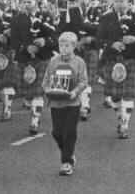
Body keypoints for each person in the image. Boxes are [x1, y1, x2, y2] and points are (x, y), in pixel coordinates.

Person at [96, 0, 135, 139]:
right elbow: (99, 39)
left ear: (128, 2)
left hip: (131, 58)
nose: (120, 4)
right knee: (115, 97)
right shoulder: (106, 18)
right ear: (113, 1)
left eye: (123, 1)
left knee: (128, 95)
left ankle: (125, 125)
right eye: (117, 1)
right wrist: (112, 44)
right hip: (112, 59)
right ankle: (121, 116)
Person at [42, 32, 88, 176]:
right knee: (57, 132)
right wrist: (48, 90)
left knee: (69, 132)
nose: (63, 48)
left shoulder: (79, 62)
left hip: (72, 102)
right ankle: (68, 153)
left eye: (67, 45)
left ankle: (66, 162)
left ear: (74, 46)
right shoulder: (53, 61)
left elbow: (83, 81)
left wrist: (75, 92)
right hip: (56, 102)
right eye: (61, 45)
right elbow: (46, 81)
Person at [10, 0, 56, 135]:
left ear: (35, 2)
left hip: (42, 58)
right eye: (24, 2)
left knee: (38, 92)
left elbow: (55, 36)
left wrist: (45, 42)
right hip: (24, 58)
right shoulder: (17, 19)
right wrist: (25, 47)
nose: (26, 4)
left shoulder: (46, 17)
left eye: (29, 1)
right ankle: (33, 108)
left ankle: (35, 121)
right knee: (27, 95)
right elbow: (13, 40)